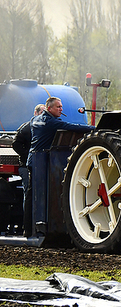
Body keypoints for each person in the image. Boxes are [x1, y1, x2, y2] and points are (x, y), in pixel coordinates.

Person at [25, 97, 95, 236]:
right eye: (58, 107)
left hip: (34, 160)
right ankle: (36, 228)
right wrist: (94, 129)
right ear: (49, 108)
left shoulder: (35, 120)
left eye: (61, 106)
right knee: (37, 196)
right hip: (40, 161)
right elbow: (71, 127)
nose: (61, 109)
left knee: (31, 195)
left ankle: (29, 229)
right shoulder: (50, 122)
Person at [11, 104, 45, 236]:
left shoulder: (43, 128)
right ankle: (28, 227)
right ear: (35, 113)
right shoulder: (26, 128)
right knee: (28, 195)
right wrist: (29, 155)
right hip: (26, 166)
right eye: (42, 113)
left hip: (40, 165)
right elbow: (15, 144)